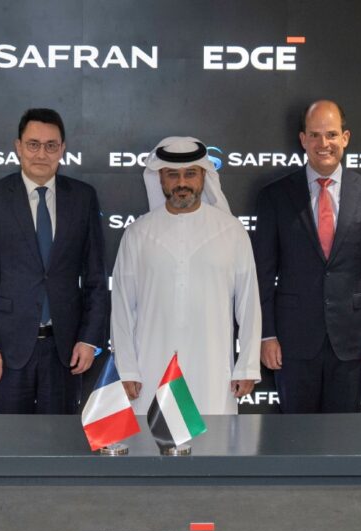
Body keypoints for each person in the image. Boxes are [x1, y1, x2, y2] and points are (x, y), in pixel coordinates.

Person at [253, 99, 361, 413]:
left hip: (352, 340)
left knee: (343, 434)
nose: (323, 143)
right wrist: (266, 334)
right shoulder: (275, 196)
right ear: (303, 139)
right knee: (296, 433)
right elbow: (263, 272)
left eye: (331, 134)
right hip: (292, 340)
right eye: (314, 135)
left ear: (345, 137)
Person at [0, 108, 108, 413]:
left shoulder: (83, 197)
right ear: (18, 147)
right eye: (33, 144)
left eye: (51, 145)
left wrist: (89, 340)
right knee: (6, 438)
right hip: (5, 351)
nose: (41, 154)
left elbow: (96, 277)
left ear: (62, 149)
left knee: (59, 438)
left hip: (65, 350)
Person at [112, 136, 261, 415]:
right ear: (160, 178)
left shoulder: (231, 231)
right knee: (151, 439)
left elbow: (249, 303)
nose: (182, 183)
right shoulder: (138, 234)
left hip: (213, 370)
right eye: (172, 174)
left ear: (204, 176)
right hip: (151, 367)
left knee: (213, 439)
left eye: (190, 173)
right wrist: (127, 368)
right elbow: (122, 307)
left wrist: (248, 365)